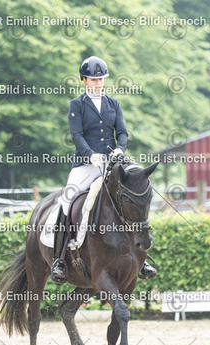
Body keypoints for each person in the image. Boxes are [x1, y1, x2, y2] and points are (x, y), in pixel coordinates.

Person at [50, 56, 157, 284]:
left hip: (113, 163)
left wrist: (119, 149)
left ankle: (142, 257)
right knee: (66, 201)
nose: (98, 83)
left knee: (132, 197)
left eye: (101, 79)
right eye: (93, 80)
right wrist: (91, 155)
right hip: (86, 165)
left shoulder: (113, 103)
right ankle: (59, 259)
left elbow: (123, 132)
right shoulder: (77, 104)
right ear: (84, 80)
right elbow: (77, 135)